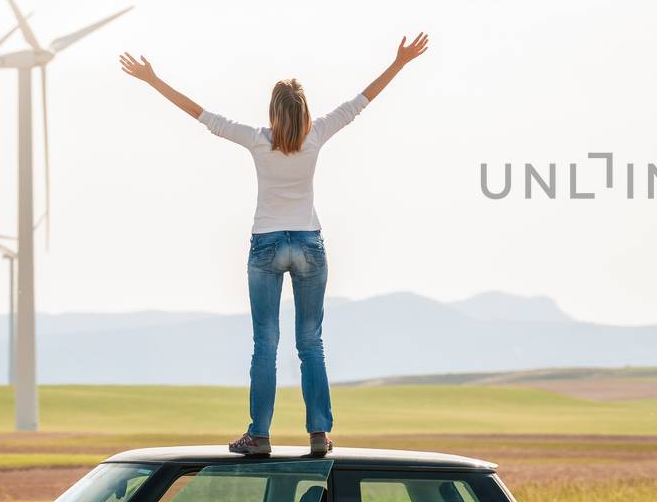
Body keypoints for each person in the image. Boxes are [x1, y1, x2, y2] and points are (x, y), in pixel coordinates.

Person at [119, 33, 430, 455]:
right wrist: (400, 63)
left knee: (265, 342)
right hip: (308, 244)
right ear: (304, 111)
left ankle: (259, 435)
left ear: (273, 111)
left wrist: (153, 80)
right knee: (311, 342)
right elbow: (360, 102)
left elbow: (202, 115)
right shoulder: (317, 134)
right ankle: (319, 433)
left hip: (266, 244)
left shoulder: (257, 139)